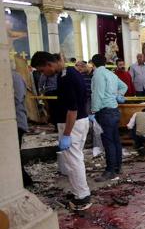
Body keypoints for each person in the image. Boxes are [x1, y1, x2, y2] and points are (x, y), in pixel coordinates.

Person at [30, 52, 92, 210]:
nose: (43, 74)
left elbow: (72, 110)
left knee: (74, 161)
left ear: (49, 64)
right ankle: (79, 191)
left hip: (72, 124)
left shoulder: (67, 78)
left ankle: (83, 198)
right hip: (76, 122)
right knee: (73, 160)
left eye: (42, 70)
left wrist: (66, 135)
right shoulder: (68, 73)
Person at [91, 54, 128, 182]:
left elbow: (98, 94)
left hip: (105, 111)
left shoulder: (98, 74)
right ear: (105, 62)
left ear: (93, 63)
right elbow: (124, 86)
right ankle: (118, 167)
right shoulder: (111, 74)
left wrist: (93, 110)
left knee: (108, 142)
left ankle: (110, 171)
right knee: (115, 140)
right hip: (114, 110)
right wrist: (118, 95)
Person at [12, 70, 33, 187]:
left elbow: (17, 98)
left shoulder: (14, 76)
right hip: (14, 121)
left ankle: (24, 181)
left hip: (16, 121)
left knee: (14, 153)